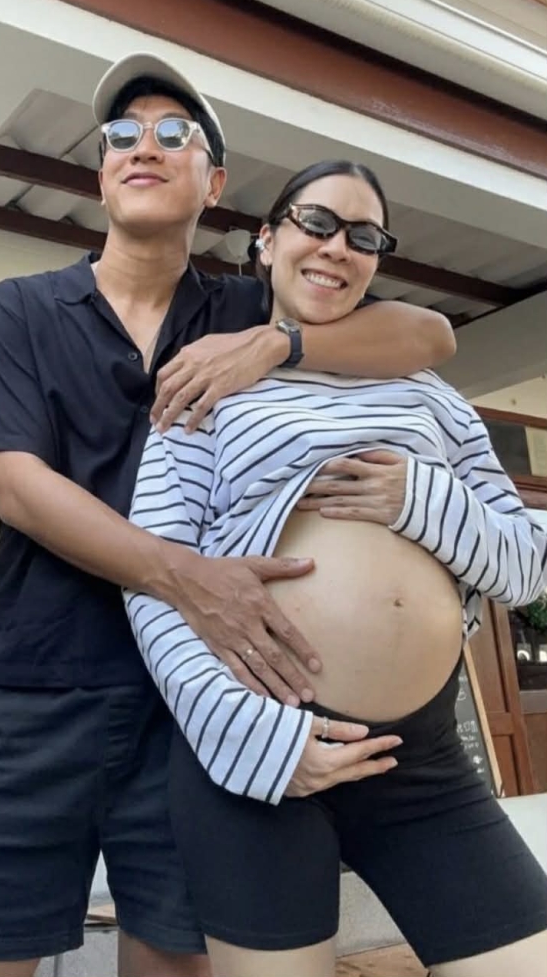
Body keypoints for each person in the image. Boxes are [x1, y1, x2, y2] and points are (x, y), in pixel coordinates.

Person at [0, 56, 457, 977]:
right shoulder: (20, 309)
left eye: (174, 134)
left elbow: (429, 337)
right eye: (121, 135)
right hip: (31, 689)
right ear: (102, 174)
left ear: (215, 182)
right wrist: (187, 577)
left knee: (176, 961)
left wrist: (279, 343)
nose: (143, 147)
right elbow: (18, 485)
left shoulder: (246, 307)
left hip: (194, 710)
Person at [125, 159, 547, 977]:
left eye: (364, 236)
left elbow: (527, 566)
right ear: (266, 240)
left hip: (420, 759)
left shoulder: (432, 397)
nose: (336, 247)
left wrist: (420, 497)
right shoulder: (208, 391)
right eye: (316, 222)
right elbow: (155, 579)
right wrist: (252, 737)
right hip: (261, 752)